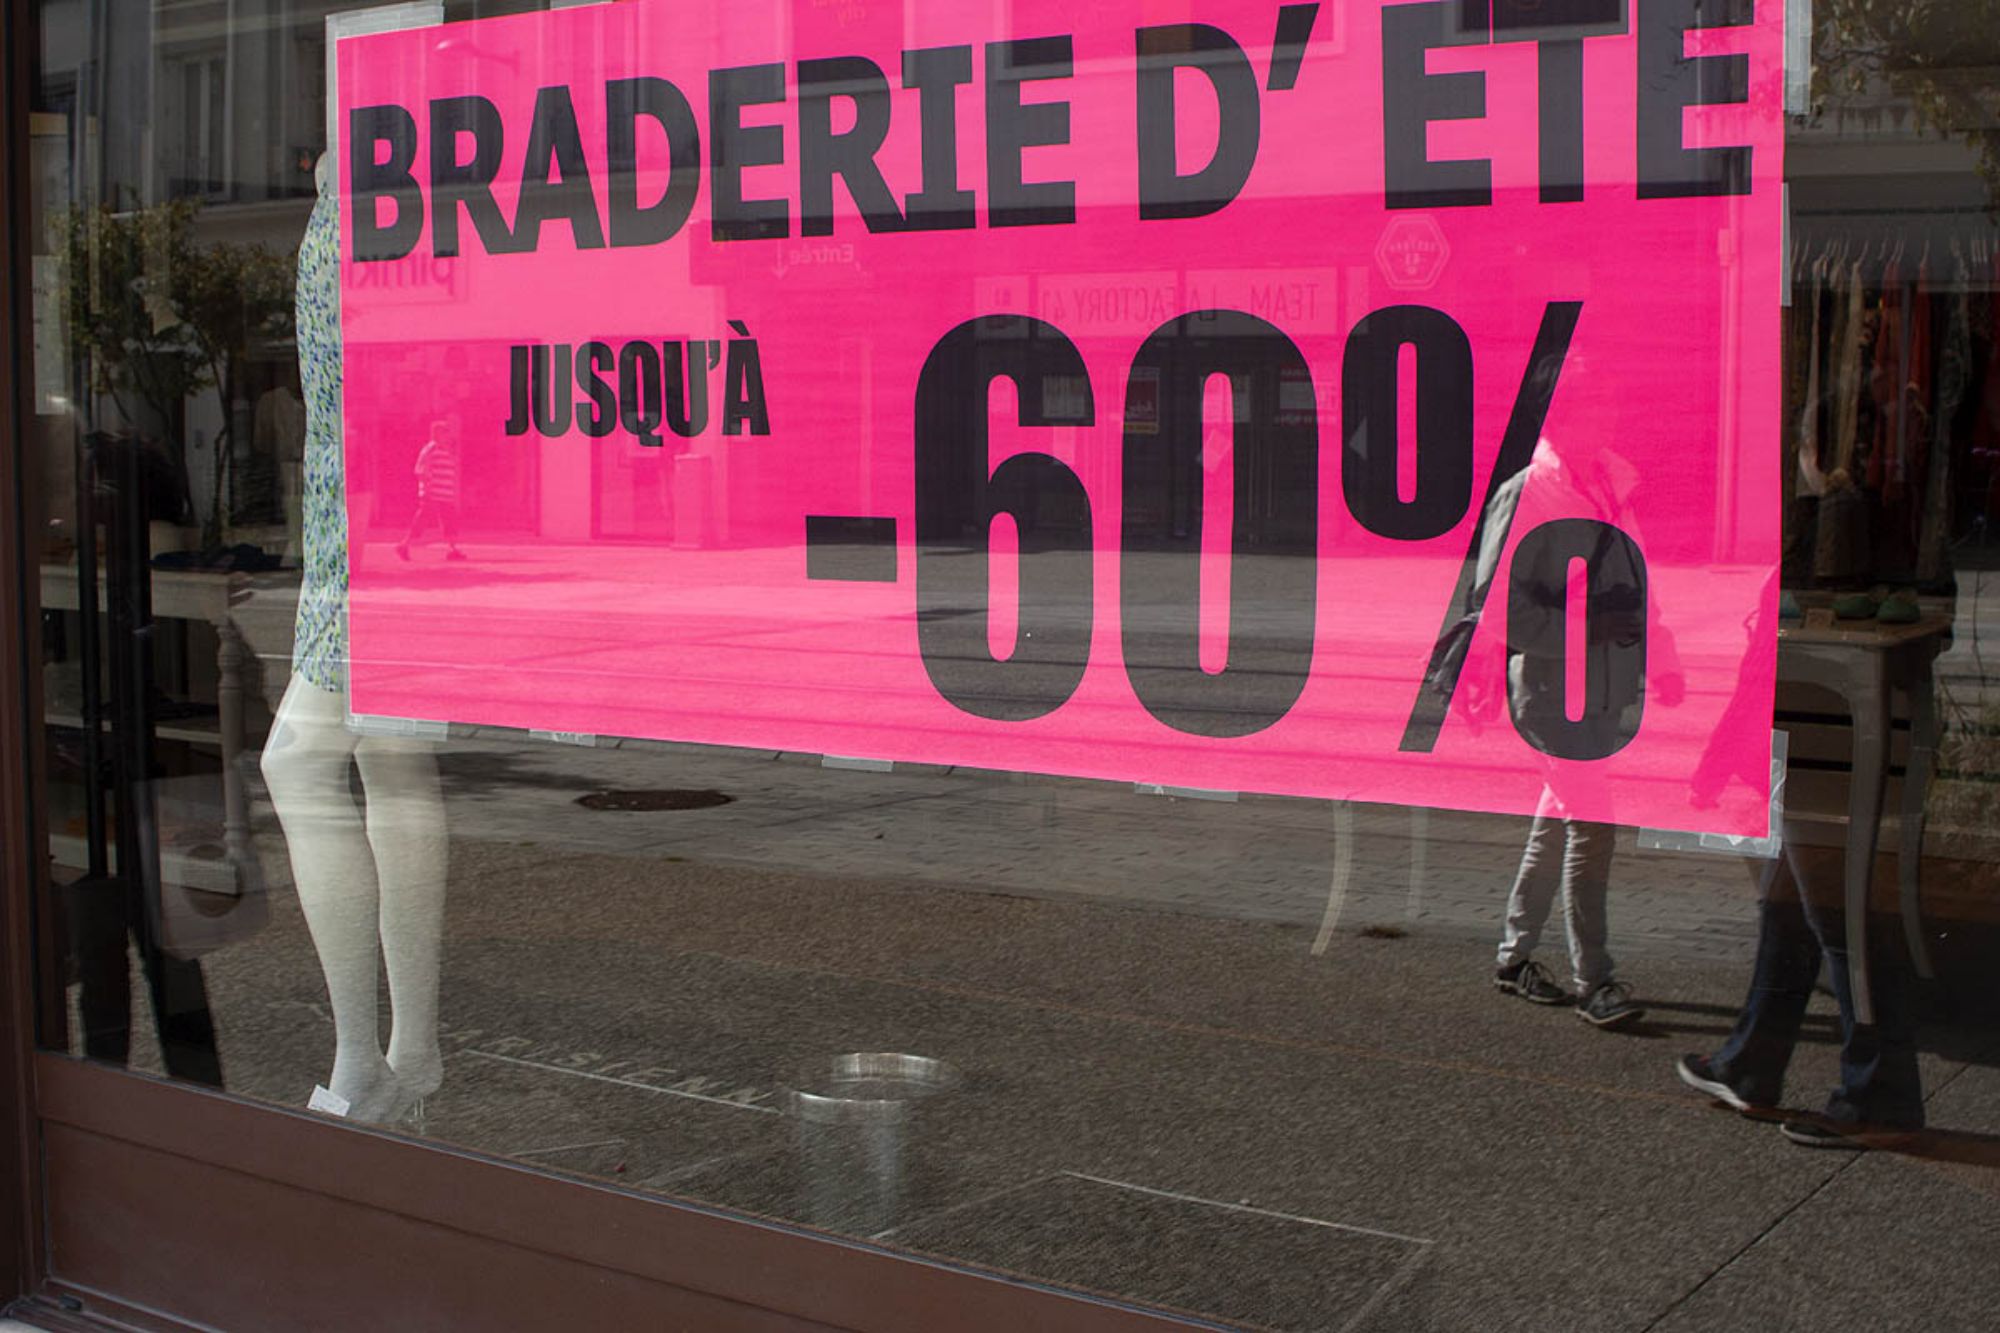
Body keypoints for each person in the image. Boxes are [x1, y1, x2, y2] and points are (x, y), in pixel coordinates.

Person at [1676, 841, 1925, 1149]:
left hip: (1835, 811)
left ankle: (1879, 1104)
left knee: (1840, 920)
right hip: (1822, 811)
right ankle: (1749, 1063)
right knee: (1787, 907)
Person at [396, 417, 466, 561]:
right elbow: (420, 469)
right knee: (422, 521)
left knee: (449, 522)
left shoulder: (447, 450)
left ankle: (452, 549)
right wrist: (427, 488)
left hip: (445, 494)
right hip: (433, 493)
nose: (448, 435)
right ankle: (404, 545)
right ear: (437, 434)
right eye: (445, 432)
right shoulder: (430, 449)